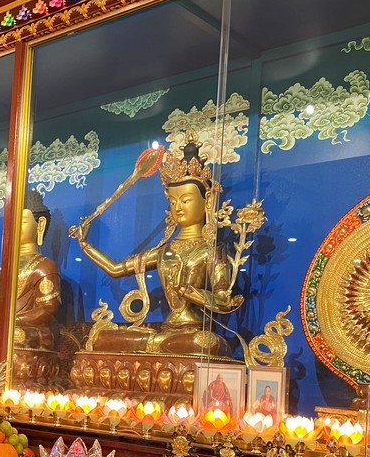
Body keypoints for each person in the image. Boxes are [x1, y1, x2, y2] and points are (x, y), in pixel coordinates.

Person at [70, 135, 243, 355]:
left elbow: (223, 301)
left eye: (186, 200)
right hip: (166, 332)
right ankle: (155, 344)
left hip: (193, 332)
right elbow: (115, 269)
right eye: (173, 201)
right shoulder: (164, 251)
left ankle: (156, 344)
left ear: (207, 200)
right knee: (105, 338)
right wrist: (84, 244)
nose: (178, 207)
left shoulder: (212, 250)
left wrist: (187, 291)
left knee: (202, 343)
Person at [0, 190, 61, 350]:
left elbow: (47, 310)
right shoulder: (6, 267)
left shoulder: (45, 266)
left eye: (22, 221)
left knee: (15, 336)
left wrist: (9, 321)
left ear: (40, 224)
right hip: (1, 331)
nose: (14, 227)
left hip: (29, 331)